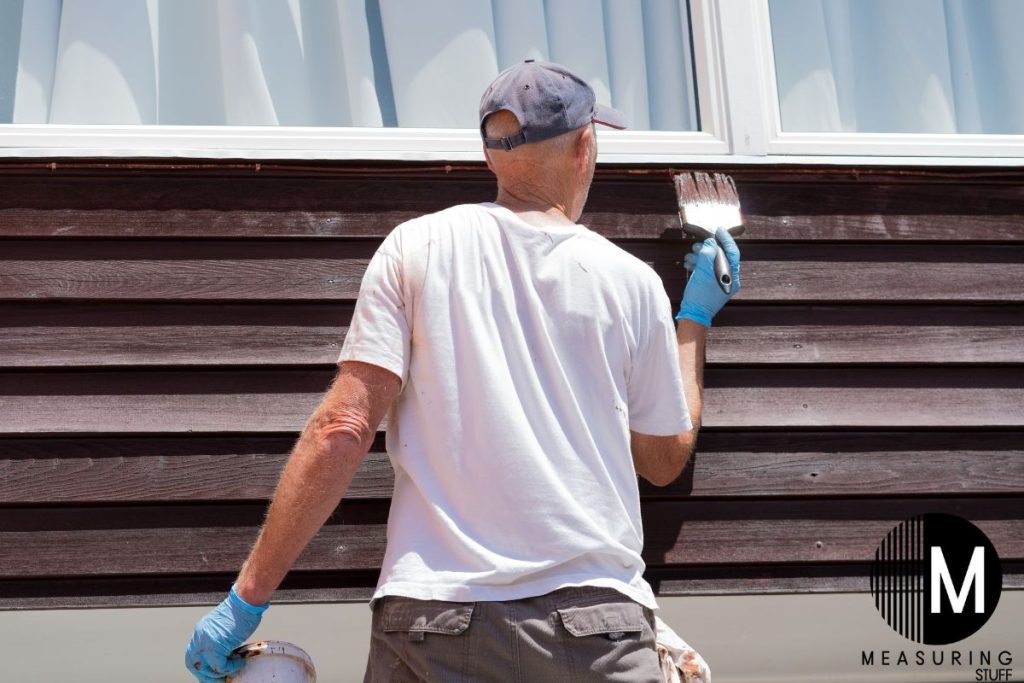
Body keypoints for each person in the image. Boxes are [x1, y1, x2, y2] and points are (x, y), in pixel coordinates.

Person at [185, 59, 741, 683]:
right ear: (587, 146)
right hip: (596, 629)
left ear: (490, 155)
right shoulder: (631, 283)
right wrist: (692, 320)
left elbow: (342, 426)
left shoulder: (415, 248)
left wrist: (246, 601)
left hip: (438, 623)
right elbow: (663, 460)